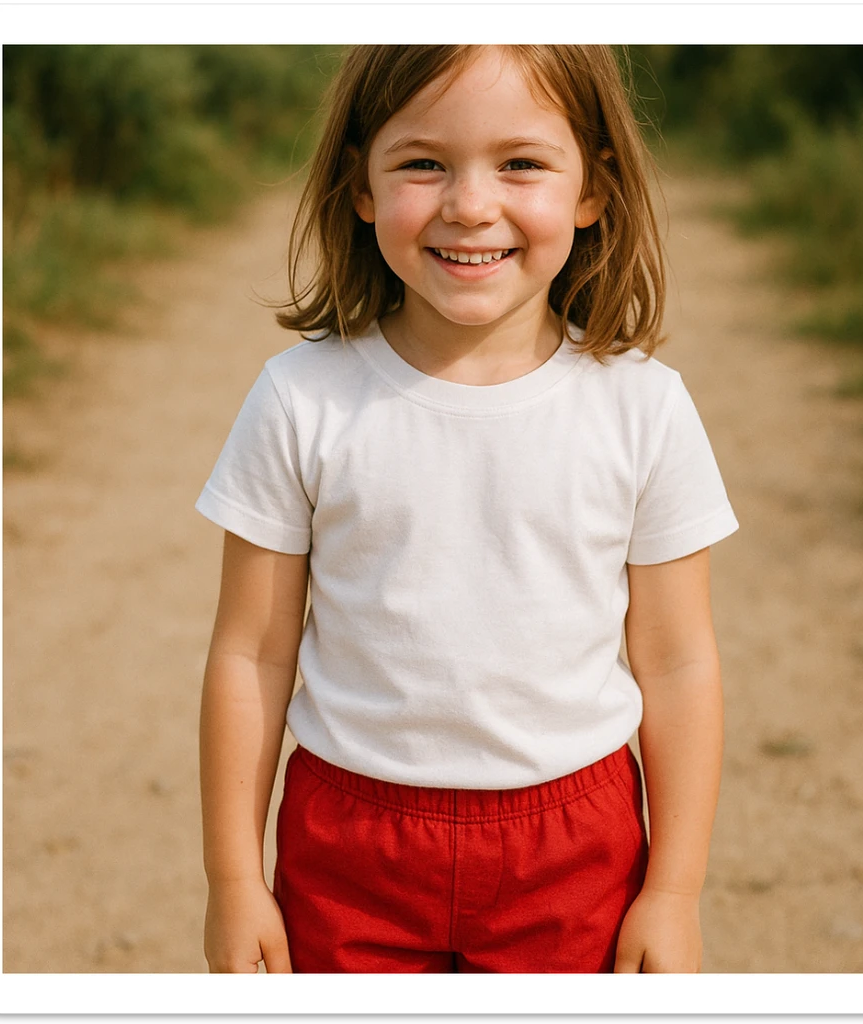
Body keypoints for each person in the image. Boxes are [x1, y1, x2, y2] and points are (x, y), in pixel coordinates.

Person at [196, 44, 738, 975]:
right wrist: (234, 881)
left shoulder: (643, 407)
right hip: (349, 845)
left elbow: (680, 662)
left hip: (575, 845)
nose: (469, 204)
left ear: (591, 190)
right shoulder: (301, 400)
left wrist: (674, 892)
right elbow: (251, 652)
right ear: (361, 184)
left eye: (521, 162)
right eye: (423, 162)